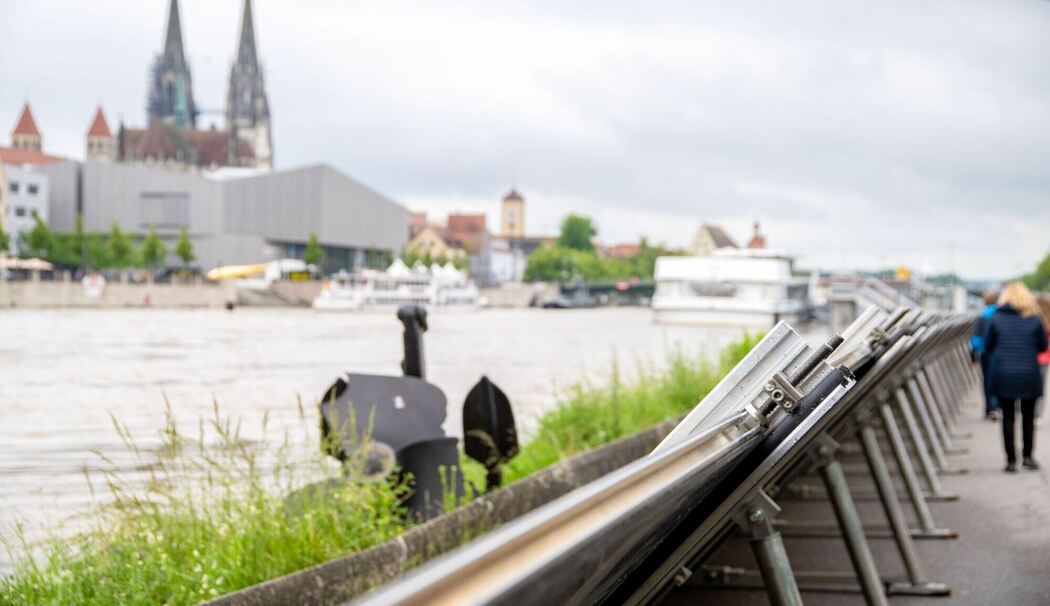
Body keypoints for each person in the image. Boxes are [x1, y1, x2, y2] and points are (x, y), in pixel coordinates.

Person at [985, 282, 1049, 472]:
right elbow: (1043, 347)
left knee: (1008, 417)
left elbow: (989, 346)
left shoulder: (996, 319)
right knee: (1028, 417)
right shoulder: (1035, 319)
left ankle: (1011, 460)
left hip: (1004, 374)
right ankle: (1028, 457)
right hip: (1029, 373)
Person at [971, 291, 1000, 420]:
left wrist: (973, 355)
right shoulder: (1001, 314)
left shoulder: (982, 316)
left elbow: (976, 339)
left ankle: (990, 407)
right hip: (1001, 352)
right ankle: (998, 405)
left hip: (986, 352)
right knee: (1000, 379)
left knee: (987, 380)